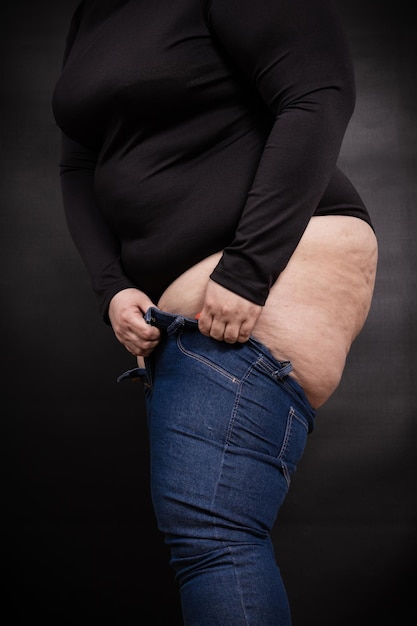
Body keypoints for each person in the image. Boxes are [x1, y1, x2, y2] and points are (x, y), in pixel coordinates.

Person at [52, 1, 378, 624]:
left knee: (216, 537)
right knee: (209, 539)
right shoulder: (89, 11)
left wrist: (249, 269)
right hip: (196, 291)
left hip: (272, 266)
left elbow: (319, 91)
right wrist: (112, 287)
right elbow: (79, 163)